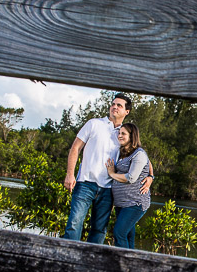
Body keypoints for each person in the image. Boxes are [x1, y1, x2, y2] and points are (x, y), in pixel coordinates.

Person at [62, 94, 152, 243]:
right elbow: (75, 148)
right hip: (85, 183)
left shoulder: (124, 134)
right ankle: (69, 260)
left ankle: (91, 261)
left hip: (108, 189)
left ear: (127, 112)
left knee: (99, 229)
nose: (114, 107)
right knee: (74, 224)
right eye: (113, 104)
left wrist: (150, 176)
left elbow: (142, 157)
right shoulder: (94, 124)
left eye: (119, 105)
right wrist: (70, 174)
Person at [106, 123, 151, 248]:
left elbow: (131, 177)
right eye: (119, 133)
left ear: (132, 136)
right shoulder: (122, 152)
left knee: (119, 233)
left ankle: (122, 264)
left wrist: (112, 174)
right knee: (128, 236)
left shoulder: (139, 154)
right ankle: (131, 264)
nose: (120, 136)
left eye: (123, 134)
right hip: (122, 203)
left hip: (135, 203)